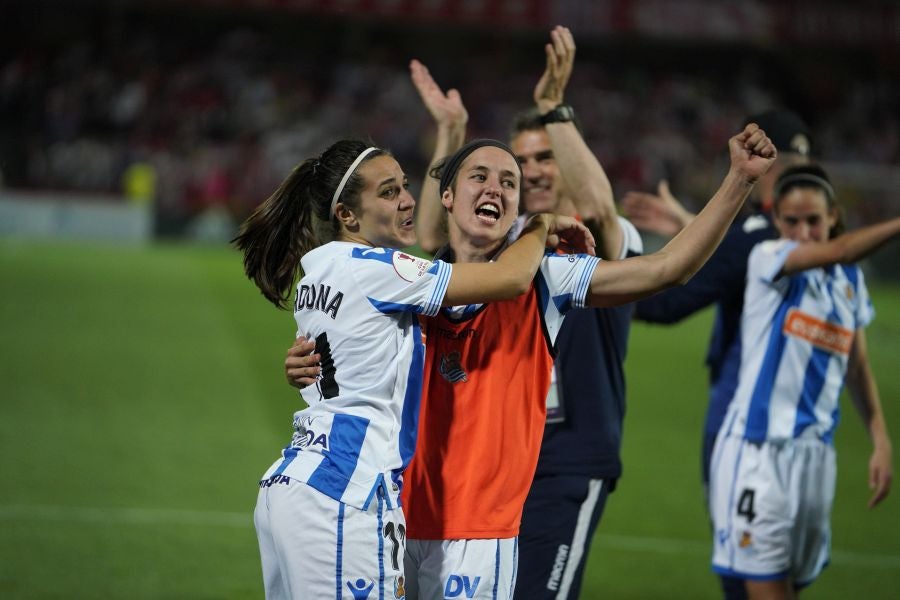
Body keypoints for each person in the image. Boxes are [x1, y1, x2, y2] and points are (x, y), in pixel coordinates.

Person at [290, 120, 775, 599]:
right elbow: (339, 349)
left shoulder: (548, 278)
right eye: (479, 176)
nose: (495, 188)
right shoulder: (410, 281)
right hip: (393, 521)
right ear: (448, 197)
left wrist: (739, 179)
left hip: (480, 537)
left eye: (509, 183)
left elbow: (666, 269)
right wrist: (303, 363)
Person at [232, 138, 592, 599]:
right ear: (347, 214)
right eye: (389, 192)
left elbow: (328, 356)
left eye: (404, 186)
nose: (406, 199)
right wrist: (538, 225)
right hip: (346, 490)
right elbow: (511, 278)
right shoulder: (383, 269)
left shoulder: (318, 266)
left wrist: (295, 366)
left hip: (292, 481)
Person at [409, 26, 643, 599]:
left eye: (547, 157)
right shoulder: (513, 238)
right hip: (494, 459)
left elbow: (596, 207)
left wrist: (554, 111)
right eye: (524, 159)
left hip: (566, 457)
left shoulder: (595, 235)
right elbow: (434, 232)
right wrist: (452, 136)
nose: (535, 170)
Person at [622, 109, 814, 600]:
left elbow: (667, 303)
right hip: (806, 424)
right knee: (780, 568)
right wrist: (690, 223)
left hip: (741, 417)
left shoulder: (754, 238)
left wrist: (597, 292)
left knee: (744, 568)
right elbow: (751, 249)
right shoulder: (812, 237)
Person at [709, 164, 897, 598]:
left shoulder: (849, 282)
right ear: (777, 221)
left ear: (832, 217)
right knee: (768, 588)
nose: (802, 231)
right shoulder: (769, 260)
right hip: (758, 452)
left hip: (816, 455)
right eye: (791, 221)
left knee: (792, 585)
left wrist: (881, 440)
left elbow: (857, 365)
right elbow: (845, 250)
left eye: (813, 220)